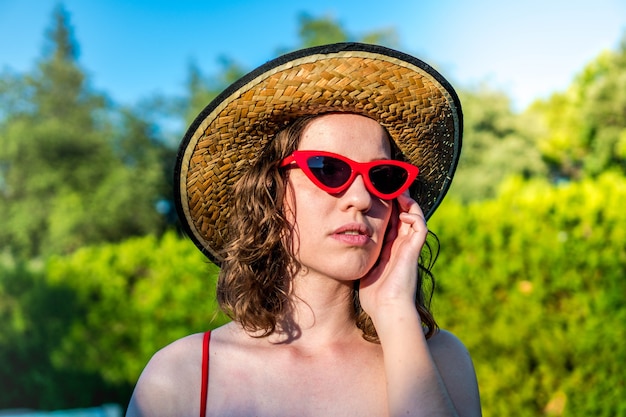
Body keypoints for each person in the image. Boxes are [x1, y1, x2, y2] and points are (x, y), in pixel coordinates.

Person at [126, 43, 481, 417]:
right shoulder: (180, 379)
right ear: (268, 190)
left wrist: (395, 311)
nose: (361, 198)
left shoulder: (439, 360)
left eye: (383, 176)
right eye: (329, 169)